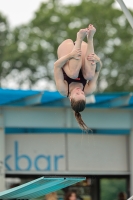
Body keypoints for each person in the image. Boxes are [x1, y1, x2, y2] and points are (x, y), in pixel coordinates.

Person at [54, 24, 102, 131]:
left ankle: (79, 37)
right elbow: (98, 70)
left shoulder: (63, 89)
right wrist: (97, 60)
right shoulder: (88, 90)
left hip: (66, 49)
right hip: (84, 49)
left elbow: (56, 65)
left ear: (70, 98)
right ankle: (90, 38)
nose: (80, 91)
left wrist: (70, 55)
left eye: (77, 94)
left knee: (73, 74)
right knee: (90, 75)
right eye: (82, 94)